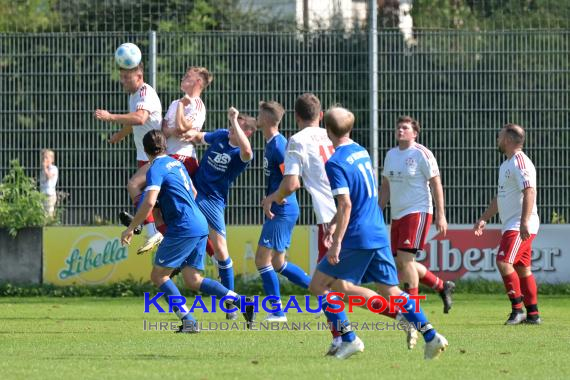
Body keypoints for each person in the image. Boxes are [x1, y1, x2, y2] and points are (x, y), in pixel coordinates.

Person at [262, 94, 411, 352]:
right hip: (359, 215)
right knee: (342, 286)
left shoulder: (296, 140)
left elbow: (291, 184)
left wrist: (272, 197)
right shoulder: (334, 134)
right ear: (320, 116)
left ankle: (349, 338)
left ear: (297, 117)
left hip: (334, 220)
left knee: (321, 285)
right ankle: (388, 321)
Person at [309, 106, 448, 360]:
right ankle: (432, 335)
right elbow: (359, 198)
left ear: (327, 130)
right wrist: (333, 221)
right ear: (350, 129)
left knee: (318, 286)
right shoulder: (361, 151)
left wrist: (336, 241)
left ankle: (349, 339)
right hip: (377, 231)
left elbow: (347, 204)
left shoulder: (336, 162)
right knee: (392, 291)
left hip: (357, 235)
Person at [120, 130, 255, 332]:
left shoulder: (155, 168)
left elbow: (148, 201)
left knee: (159, 276)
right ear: (165, 146)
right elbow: (192, 192)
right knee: (193, 279)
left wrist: (131, 228)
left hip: (182, 227)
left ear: (146, 151)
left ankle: (189, 321)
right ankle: (242, 302)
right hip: (199, 223)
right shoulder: (178, 164)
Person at [120, 66, 213, 238]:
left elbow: (180, 128)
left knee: (135, 185)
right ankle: (156, 233)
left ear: (198, 82)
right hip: (168, 157)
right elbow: (166, 129)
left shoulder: (197, 105)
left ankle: (147, 228)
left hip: (182, 159)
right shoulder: (175, 103)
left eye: (188, 76)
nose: (183, 77)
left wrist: (177, 122)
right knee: (160, 211)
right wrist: (175, 124)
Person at [184, 106, 257, 319]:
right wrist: (183, 134)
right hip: (196, 190)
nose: (232, 128)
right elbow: (199, 137)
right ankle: (147, 224)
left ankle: (232, 303)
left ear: (248, 132)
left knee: (221, 251)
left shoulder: (239, 153)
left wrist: (235, 120)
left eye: (239, 127)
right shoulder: (222, 136)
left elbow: (248, 152)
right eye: (232, 125)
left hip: (214, 200)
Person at [380, 115, 455, 313]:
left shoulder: (422, 153)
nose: (400, 130)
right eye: (398, 127)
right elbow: (385, 187)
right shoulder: (391, 155)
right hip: (397, 215)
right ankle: (441, 286)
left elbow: (436, 183)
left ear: (415, 133)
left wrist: (441, 214)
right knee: (402, 263)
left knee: (405, 261)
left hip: (417, 211)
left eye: (405, 128)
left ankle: (412, 309)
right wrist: (377, 212)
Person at [473, 123, 541, 325]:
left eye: (500, 136)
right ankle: (533, 314)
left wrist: (524, 222)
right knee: (522, 269)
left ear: (509, 140)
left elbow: (530, 191)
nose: (497, 139)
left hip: (520, 224)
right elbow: (500, 197)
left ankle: (517, 310)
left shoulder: (520, 162)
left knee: (503, 262)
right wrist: (485, 217)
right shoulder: (506, 164)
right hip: (513, 223)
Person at [94, 62, 163, 254]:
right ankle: (149, 227)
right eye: (121, 76)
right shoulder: (134, 95)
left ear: (139, 77)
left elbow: (140, 118)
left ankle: (148, 229)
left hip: (157, 155)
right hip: (145, 156)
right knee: (155, 205)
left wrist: (110, 117)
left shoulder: (144, 93)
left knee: (134, 185)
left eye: (127, 77)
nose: (122, 81)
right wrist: (119, 135)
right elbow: (134, 122)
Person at [255, 100, 312, 322]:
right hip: (279, 207)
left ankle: (277, 312)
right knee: (278, 263)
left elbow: (292, 181)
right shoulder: (271, 142)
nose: (256, 118)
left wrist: (273, 198)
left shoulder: (279, 146)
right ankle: (320, 288)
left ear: (267, 119)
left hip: (283, 208)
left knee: (262, 260)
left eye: (259, 115)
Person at [40, 149, 58, 219]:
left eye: (47, 157)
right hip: (42, 195)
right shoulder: (43, 170)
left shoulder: (53, 168)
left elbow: (49, 177)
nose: (45, 159)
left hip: (49, 195)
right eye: (44, 157)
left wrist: (45, 168)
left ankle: (50, 226)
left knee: (49, 214)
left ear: (52, 159)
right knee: (43, 214)